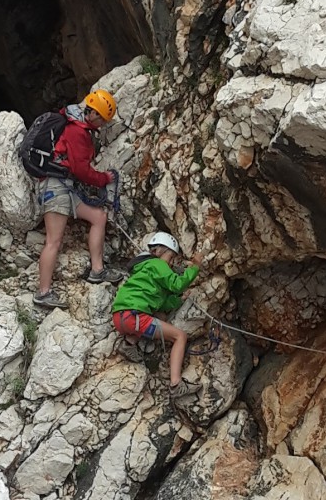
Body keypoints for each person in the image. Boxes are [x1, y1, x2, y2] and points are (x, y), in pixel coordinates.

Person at [35, 89, 122, 308]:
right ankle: (43, 292)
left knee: (99, 217)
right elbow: (80, 169)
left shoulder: (77, 127)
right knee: (54, 240)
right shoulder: (76, 132)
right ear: (94, 114)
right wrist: (104, 178)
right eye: (102, 119)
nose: (101, 124)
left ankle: (97, 270)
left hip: (66, 187)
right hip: (55, 187)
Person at [112, 231, 201, 401]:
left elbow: (163, 304)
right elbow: (176, 284)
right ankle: (176, 384)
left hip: (121, 317)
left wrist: (179, 300)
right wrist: (195, 267)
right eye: (171, 257)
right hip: (135, 317)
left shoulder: (145, 270)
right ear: (161, 252)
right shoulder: (158, 265)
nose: (172, 263)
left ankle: (129, 343)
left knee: (160, 316)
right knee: (180, 336)